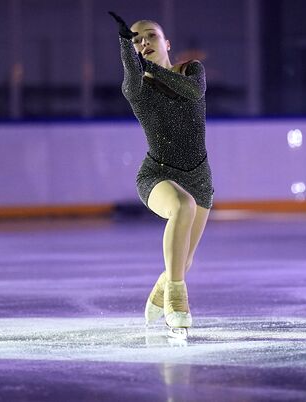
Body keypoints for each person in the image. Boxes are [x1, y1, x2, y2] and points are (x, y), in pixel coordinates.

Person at [109, 12, 214, 338]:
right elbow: (132, 72)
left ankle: (161, 292)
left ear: (166, 43)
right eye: (137, 39)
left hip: (200, 177)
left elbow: (193, 93)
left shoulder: (191, 71)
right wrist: (127, 48)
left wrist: (148, 63)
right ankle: (177, 300)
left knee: (185, 260)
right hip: (157, 175)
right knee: (182, 207)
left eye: (150, 36)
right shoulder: (136, 87)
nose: (144, 42)